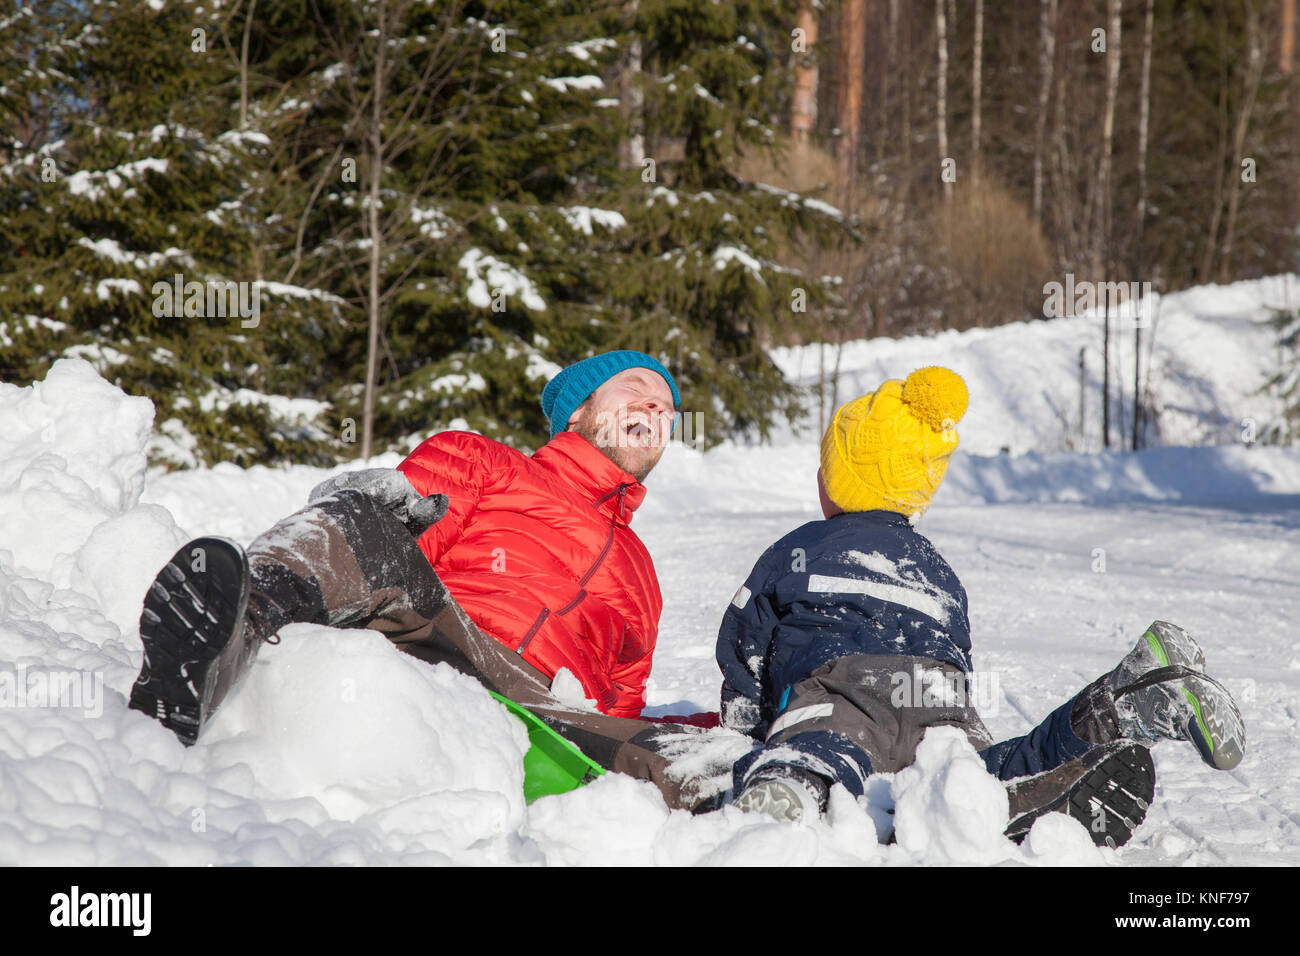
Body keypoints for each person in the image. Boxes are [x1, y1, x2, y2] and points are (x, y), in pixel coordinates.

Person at [130, 350, 734, 810]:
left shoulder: (644, 576)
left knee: (707, 759)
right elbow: (395, 542)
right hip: (444, 641)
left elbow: (621, 700)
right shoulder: (483, 462)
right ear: (578, 410)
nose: (657, 409)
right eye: (637, 389)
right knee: (364, 519)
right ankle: (225, 637)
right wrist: (380, 506)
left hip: (553, 708)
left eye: (667, 406)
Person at [716, 366, 1246, 844]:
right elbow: (954, 653)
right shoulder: (936, 568)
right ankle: (1112, 709)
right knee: (975, 773)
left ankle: (791, 790)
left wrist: (746, 731)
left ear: (835, 480)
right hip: (939, 702)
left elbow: (746, 643)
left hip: (841, 693)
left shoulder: (798, 548)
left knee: (824, 749)